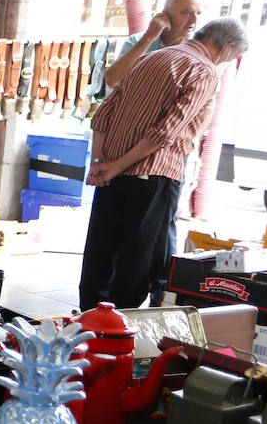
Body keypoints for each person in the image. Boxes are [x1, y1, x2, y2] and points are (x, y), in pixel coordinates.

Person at [78, 18, 247, 310]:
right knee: (139, 259)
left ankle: (89, 319)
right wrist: (115, 166)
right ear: (227, 47)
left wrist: (101, 163)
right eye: (231, 57)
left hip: (111, 175)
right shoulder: (203, 71)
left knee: (102, 250)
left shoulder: (152, 58)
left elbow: (103, 115)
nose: (227, 63)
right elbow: (165, 133)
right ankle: (121, 328)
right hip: (153, 176)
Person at [104, 0, 205, 305]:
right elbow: (113, 79)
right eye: (186, 12)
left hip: (164, 162)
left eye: (198, 13)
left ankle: (161, 292)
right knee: (116, 235)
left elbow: (202, 110)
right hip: (121, 157)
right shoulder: (143, 43)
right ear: (167, 15)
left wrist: (184, 142)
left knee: (160, 232)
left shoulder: (197, 53)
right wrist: (149, 37)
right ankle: (108, 301)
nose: (193, 19)